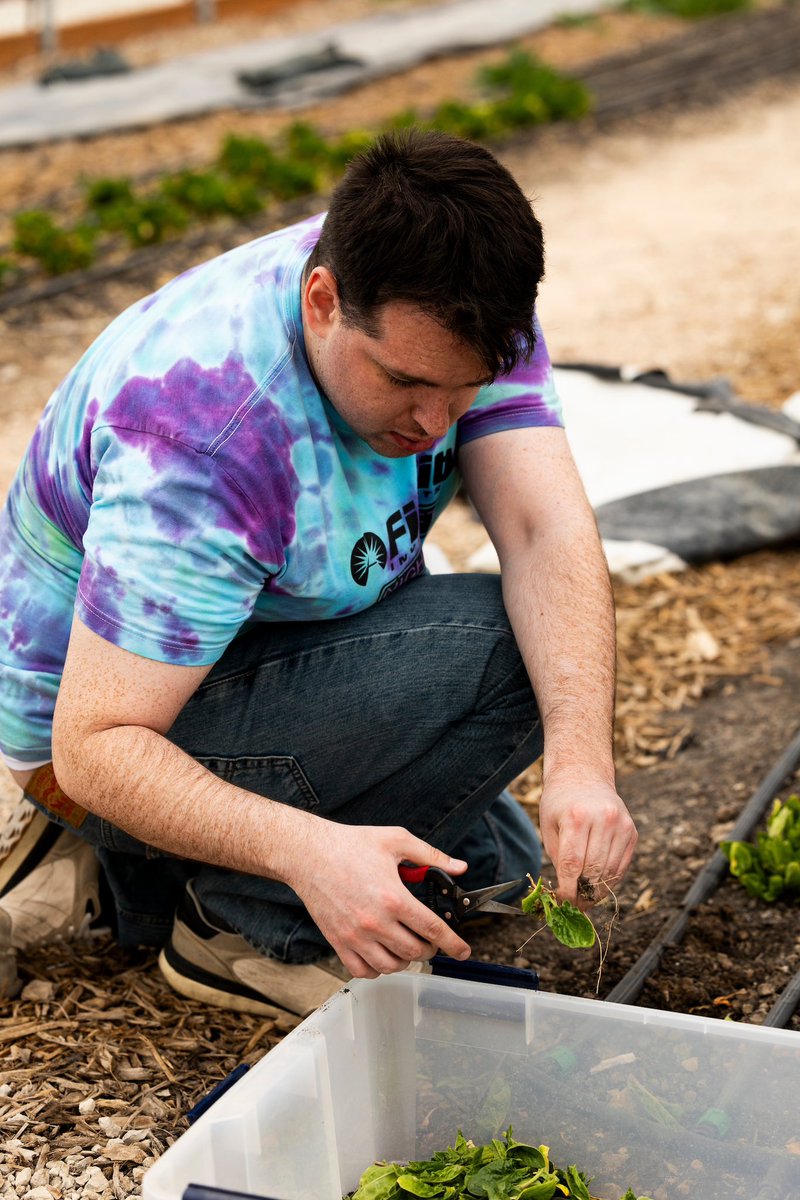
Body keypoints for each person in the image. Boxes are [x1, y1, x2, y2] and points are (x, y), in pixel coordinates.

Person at [0, 129, 637, 1016]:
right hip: (98, 725)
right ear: (324, 299)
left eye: (464, 389)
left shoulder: (453, 303)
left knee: (494, 864)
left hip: (261, 638)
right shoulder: (201, 442)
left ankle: (133, 873)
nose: (434, 419)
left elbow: (540, 530)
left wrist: (582, 766)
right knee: (503, 659)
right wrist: (308, 857)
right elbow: (96, 747)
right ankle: (235, 930)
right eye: (406, 382)